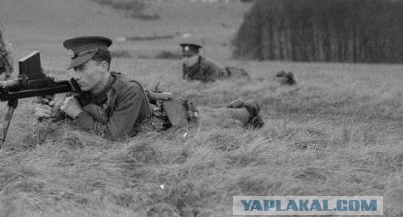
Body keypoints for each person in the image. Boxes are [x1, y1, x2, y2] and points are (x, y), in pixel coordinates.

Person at [34, 36, 263, 140]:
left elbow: (113, 136)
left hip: (175, 123)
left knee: (225, 118)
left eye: (82, 68)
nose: (76, 75)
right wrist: (52, 114)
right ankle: (238, 108)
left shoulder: (128, 90)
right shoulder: (81, 88)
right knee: (219, 114)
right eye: (74, 69)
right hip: (163, 113)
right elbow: (76, 116)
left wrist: (77, 114)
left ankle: (249, 109)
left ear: (103, 67)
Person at [181, 43, 249, 82]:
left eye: (189, 56)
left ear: (197, 56)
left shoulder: (208, 65)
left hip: (231, 76)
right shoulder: (186, 66)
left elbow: (212, 84)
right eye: (184, 56)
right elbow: (186, 81)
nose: (186, 59)